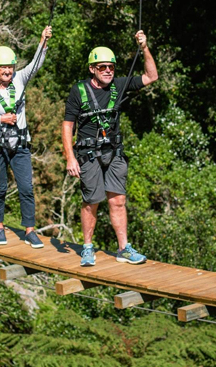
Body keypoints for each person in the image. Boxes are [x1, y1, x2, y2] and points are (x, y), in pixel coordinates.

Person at [62, 30, 158, 266]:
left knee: (118, 201)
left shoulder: (119, 85)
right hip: (88, 154)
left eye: (111, 67)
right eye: (102, 66)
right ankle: (87, 248)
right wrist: (70, 158)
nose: (108, 70)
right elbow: (67, 126)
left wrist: (144, 48)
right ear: (92, 68)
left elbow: (151, 76)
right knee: (92, 201)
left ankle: (124, 248)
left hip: (114, 152)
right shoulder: (79, 90)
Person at [0, 26, 52, 248]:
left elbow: (36, 64)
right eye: (3, 68)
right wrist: (0, 120)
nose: (7, 71)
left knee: (26, 188)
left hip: (19, 145)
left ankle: (29, 230)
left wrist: (42, 42)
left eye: (10, 67)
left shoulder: (20, 79)